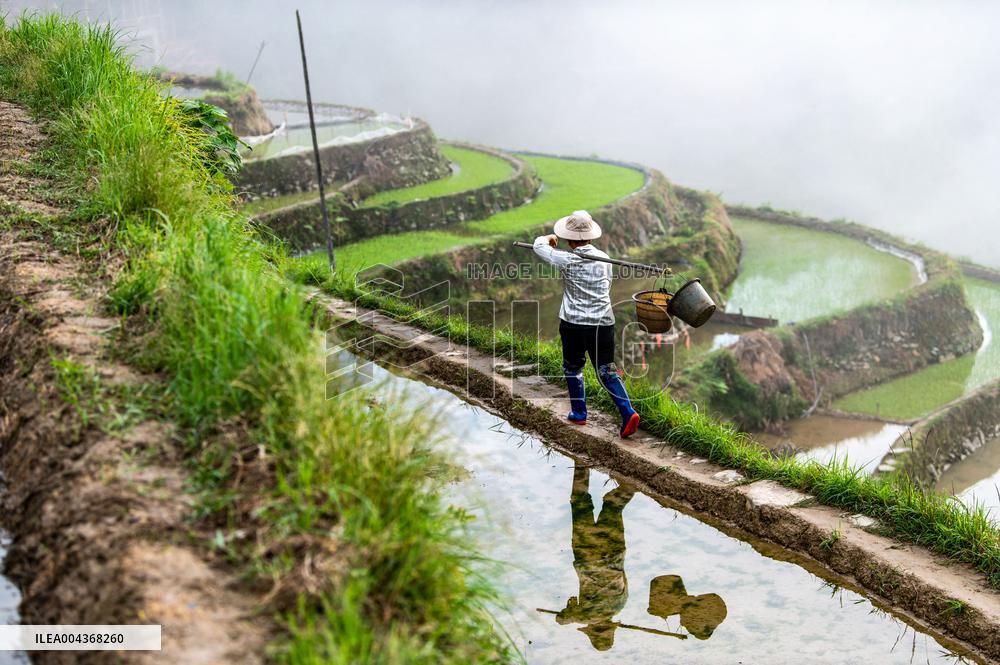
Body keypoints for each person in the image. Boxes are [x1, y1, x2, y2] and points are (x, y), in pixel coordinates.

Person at [533, 210, 640, 438]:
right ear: (590, 236)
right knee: (607, 370)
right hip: (603, 323)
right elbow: (607, 286)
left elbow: (538, 246)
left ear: (570, 239)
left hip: (573, 324)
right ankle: (627, 411)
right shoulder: (604, 259)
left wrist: (550, 239)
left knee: (573, 367)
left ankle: (579, 413)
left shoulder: (566, 258)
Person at [555, 462, 636, 651]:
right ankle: (581, 464)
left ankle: (630, 484)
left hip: (615, 552)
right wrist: (571, 611)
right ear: (594, 628)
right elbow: (561, 620)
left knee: (613, 508)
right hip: (587, 552)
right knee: (579, 501)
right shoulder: (588, 616)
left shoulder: (621, 604)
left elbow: (623, 576)